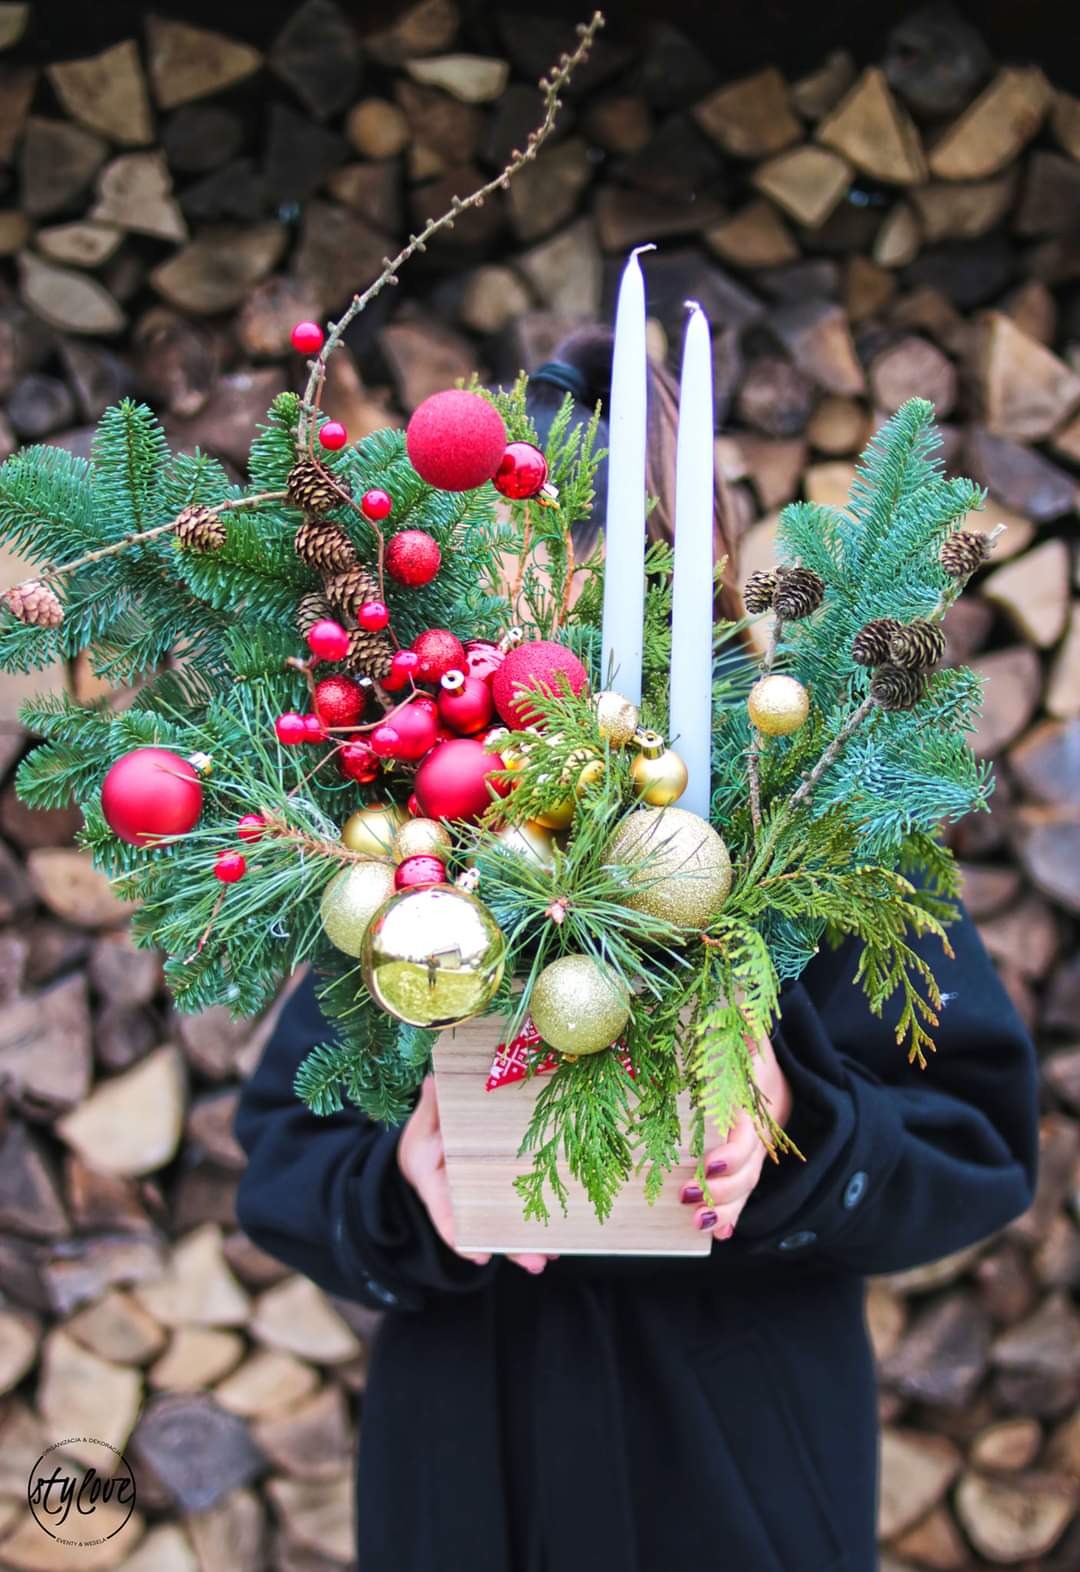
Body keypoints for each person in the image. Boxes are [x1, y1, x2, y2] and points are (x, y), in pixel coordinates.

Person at [233, 327, 1040, 1572]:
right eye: (537, 578)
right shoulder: (422, 844)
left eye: (614, 575)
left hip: (732, 1461)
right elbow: (287, 1158)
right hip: (471, 1458)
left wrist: (799, 1129)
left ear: (691, 573)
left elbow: (974, 1146)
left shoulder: (818, 824)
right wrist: (407, 1189)